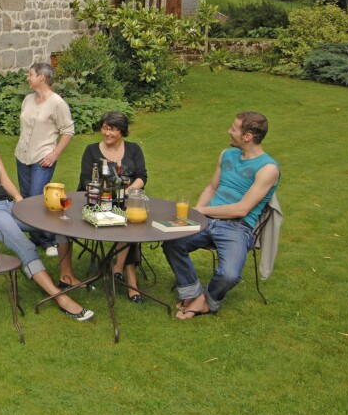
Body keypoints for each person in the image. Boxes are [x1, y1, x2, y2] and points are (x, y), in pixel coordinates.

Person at [0, 112, 94, 322]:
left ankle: (66, 276)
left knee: (59, 224)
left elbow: (3, 178)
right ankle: (61, 299)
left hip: (8, 205)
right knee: (26, 247)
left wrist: (18, 198)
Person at [163, 112, 280, 320]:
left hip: (237, 227)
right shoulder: (227, 154)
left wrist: (203, 211)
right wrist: (196, 213)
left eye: (234, 129)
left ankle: (205, 301)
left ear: (247, 137)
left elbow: (241, 209)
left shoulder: (268, 169)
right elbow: (212, 187)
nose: (229, 131)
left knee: (229, 275)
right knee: (172, 242)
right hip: (207, 221)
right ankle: (194, 294)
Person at [65, 111, 148, 302]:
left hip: (125, 199)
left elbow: (142, 176)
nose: (107, 133)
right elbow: (85, 180)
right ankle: (129, 282)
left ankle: (119, 269)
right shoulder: (91, 150)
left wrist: (126, 192)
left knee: (132, 218)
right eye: (104, 127)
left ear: (122, 131)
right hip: (96, 200)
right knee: (129, 219)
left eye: (112, 129)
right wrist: (106, 192)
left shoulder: (134, 149)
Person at [14, 62, 75, 254]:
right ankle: (36, 239)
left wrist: (55, 153)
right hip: (22, 156)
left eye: (30, 74)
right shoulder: (28, 99)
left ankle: (49, 240)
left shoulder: (57, 103)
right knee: (26, 199)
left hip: (43, 158)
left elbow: (68, 130)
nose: (27, 77)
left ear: (42, 77)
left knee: (38, 198)